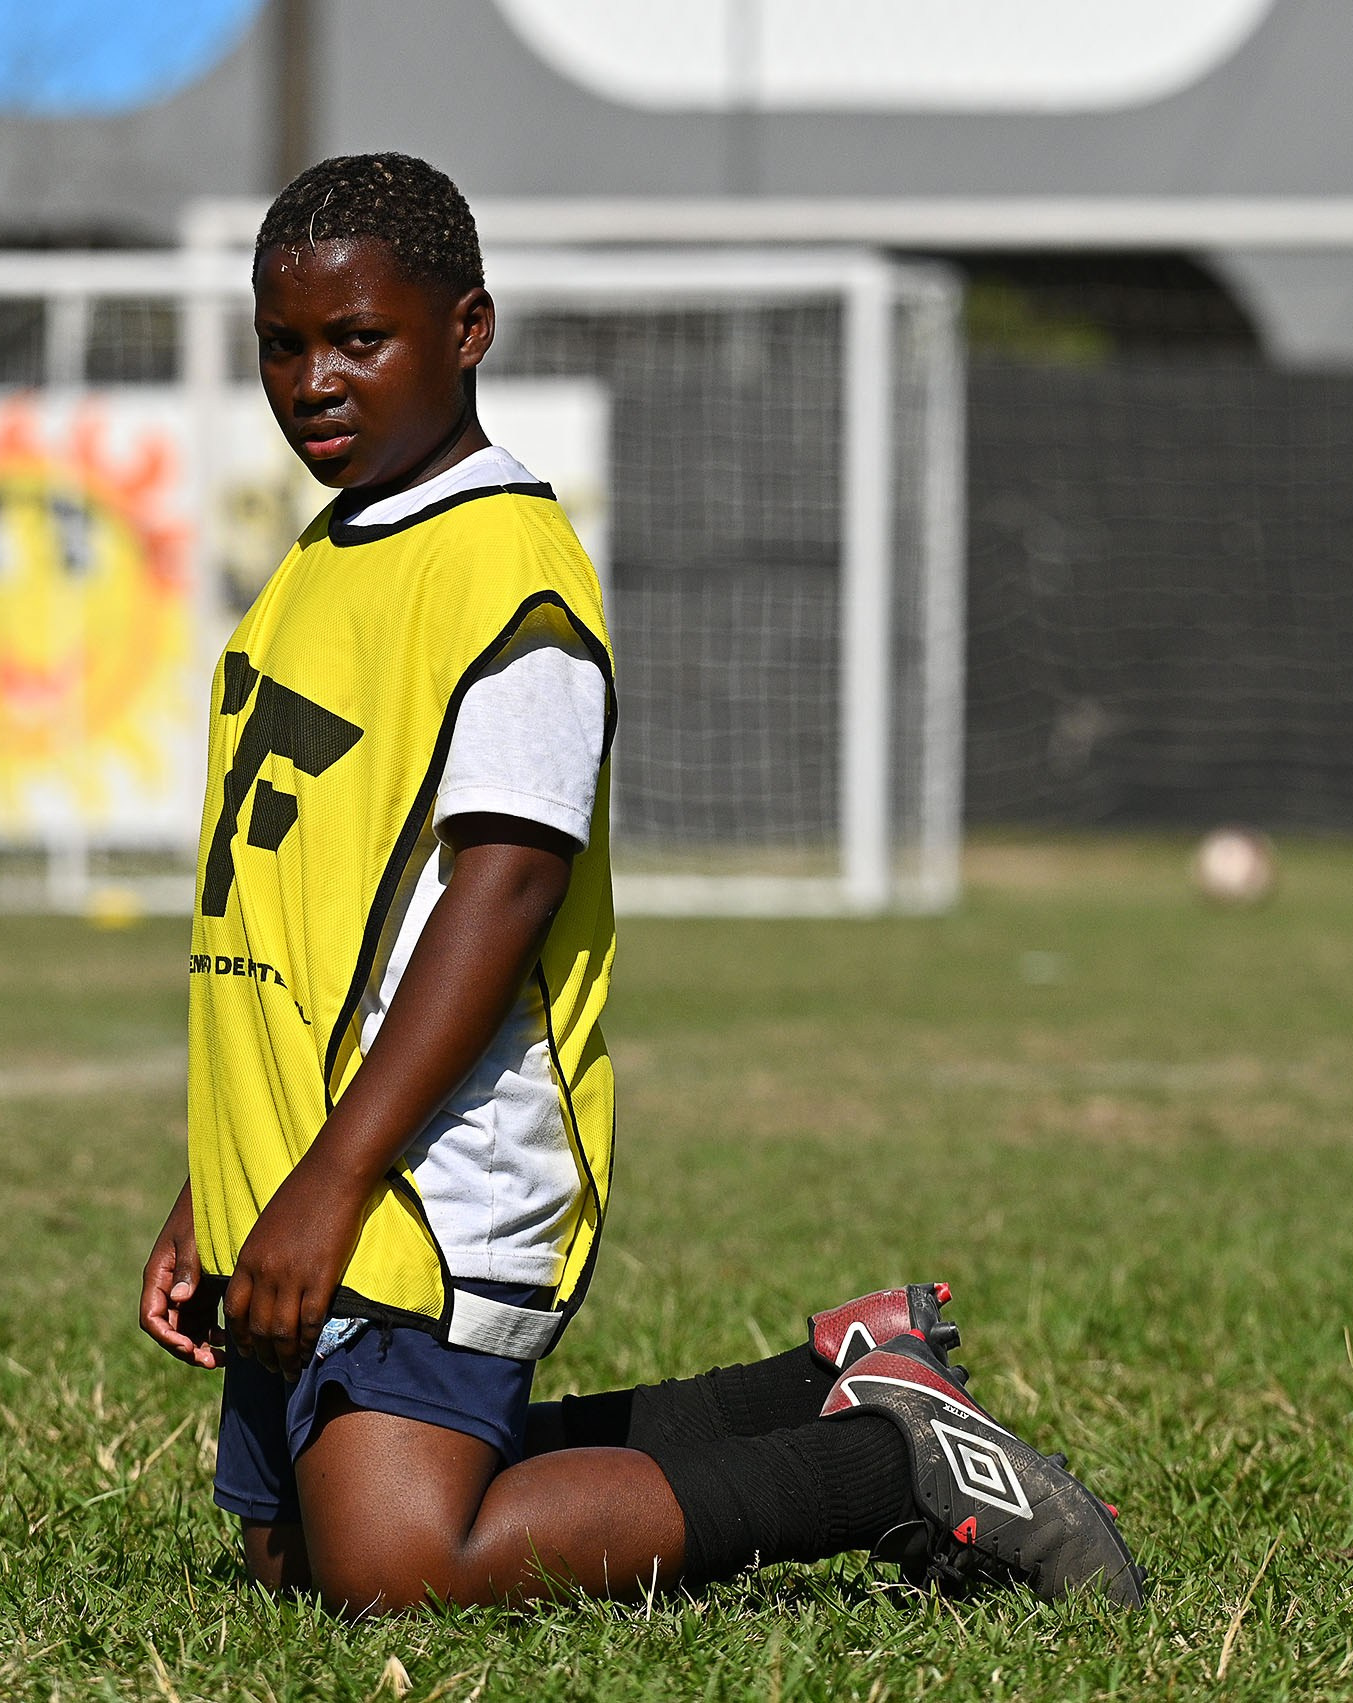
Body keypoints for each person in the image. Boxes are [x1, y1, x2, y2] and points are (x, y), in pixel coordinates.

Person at [138, 152, 1144, 1616]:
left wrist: (332, 1175)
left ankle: (896, 1472)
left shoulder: (508, 572)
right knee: (294, 1553)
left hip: (436, 1164)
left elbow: (503, 893)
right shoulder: (310, 570)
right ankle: (822, 1386)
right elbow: (300, 926)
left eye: (362, 339)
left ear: (467, 329)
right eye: (283, 346)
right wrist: (221, 1186)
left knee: (398, 1564)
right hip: (314, 1160)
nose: (317, 382)